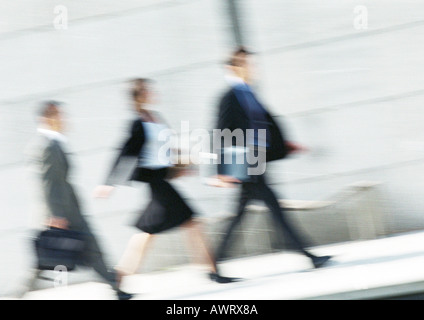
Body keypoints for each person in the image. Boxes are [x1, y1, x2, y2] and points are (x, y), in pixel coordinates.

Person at [94, 79, 236, 284]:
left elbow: (166, 150)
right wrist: (108, 183)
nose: (152, 92)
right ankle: (211, 270)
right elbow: (126, 152)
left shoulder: (155, 118)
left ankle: (119, 277)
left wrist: (182, 164)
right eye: (147, 91)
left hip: (162, 180)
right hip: (156, 183)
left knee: (151, 233)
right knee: (190, 224)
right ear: (139, 96)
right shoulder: (138, 123)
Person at [213, 47, 332, 268]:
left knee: (241, 216)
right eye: (247, 64)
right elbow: (222, 132)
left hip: (257, 160)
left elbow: (264, 125)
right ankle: (307, 254)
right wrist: (224, 171)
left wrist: (285, 146)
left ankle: (214, 262)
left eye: (251, 63)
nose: (252, 68)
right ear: (233, 68)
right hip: (247, 163)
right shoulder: (230, 97)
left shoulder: (247, 93)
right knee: (274, 209)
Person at [23, 101, 133, 300]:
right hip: (62, 213)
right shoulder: (47, 145)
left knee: (91, 248)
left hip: (68, 209)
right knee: (44, 262)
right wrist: (56, 214)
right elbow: (48, 184)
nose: (64, 120)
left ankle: (114, 286)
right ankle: (19, 294)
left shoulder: (53, 143)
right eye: (59, 116)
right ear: (46, 119)